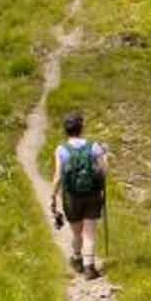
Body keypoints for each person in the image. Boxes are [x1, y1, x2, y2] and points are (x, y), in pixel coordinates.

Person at [49, 111, 109, 276]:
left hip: (71, 197)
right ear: (81, 128)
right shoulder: (94, 146)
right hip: (92, 194)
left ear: (66, 130)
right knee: (89, 232)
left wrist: (53, 197)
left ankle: (77, 260)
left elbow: (58, 176)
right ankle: (90, 267)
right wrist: (106, 157)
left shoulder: (61, 149)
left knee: (77, 232)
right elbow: (104, 170)